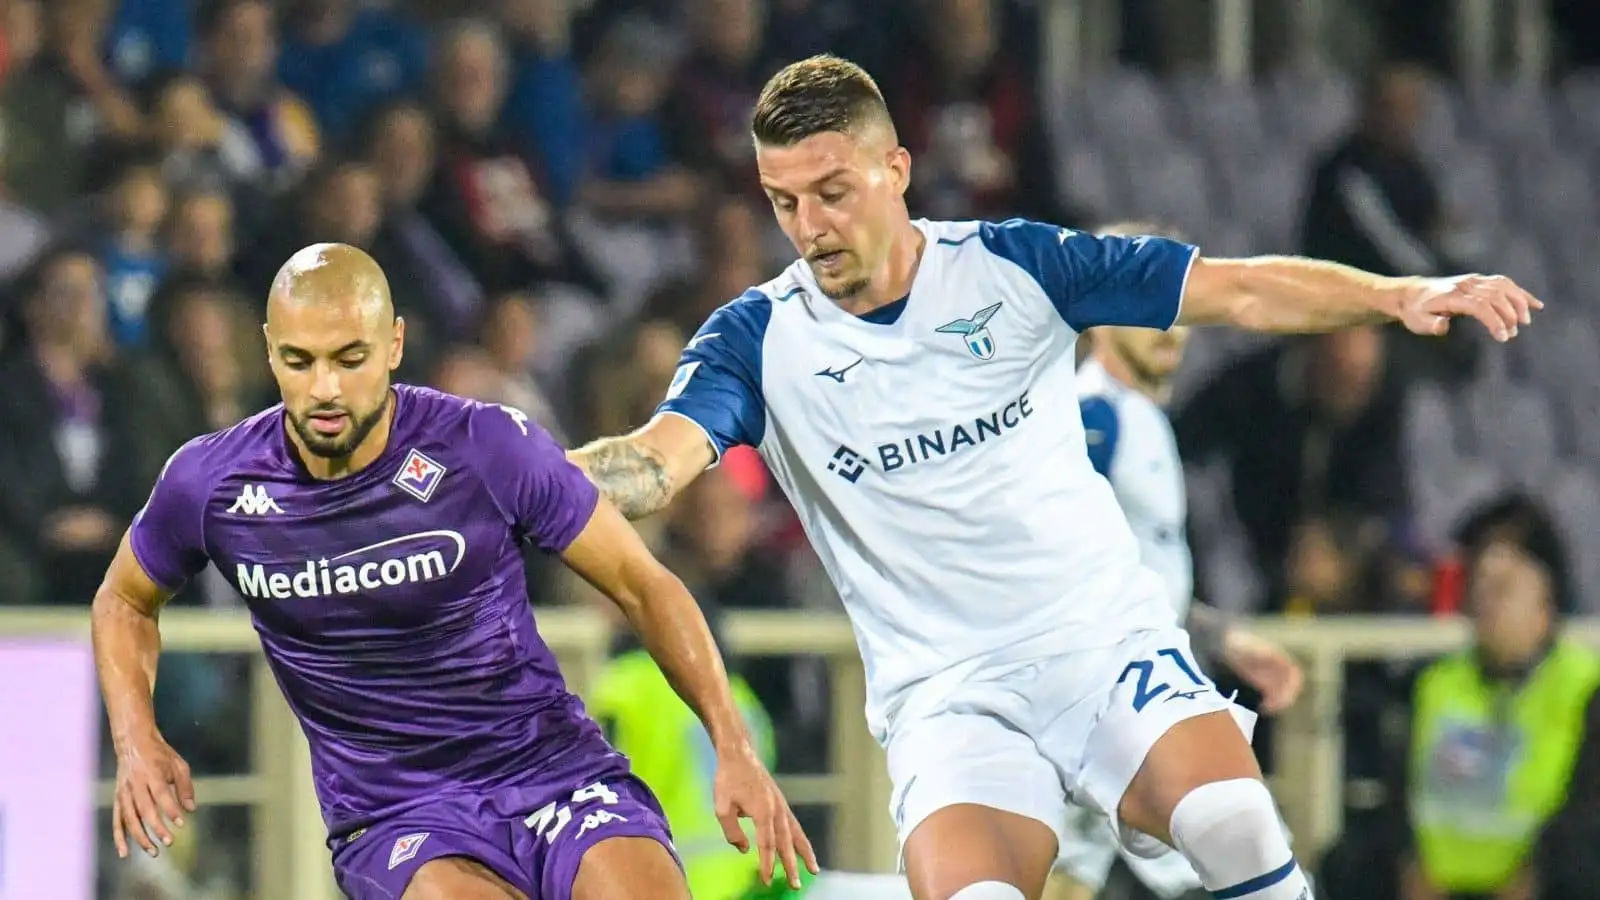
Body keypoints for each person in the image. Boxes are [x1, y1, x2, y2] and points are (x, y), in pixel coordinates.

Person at [565, 54, 1539, 900]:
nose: (809, 226)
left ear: (895, 169)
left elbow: (1234, 286)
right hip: (947, 694)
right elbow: (656, 463)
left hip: (1096, 645)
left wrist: (1400, 293)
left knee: (1234, 821)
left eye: (833, 191)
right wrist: (515, 470)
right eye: (784, 202)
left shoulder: (1011, 268)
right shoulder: (756, 340)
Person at [90, 243, 817, 900]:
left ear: (395, 343)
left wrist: (734, 746)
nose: (325, 391)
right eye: (299, 361)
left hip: (554, 772)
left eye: (350, 358)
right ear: (268, 352)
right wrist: (137, 738)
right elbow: (124, 599)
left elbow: (642, 582)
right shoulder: (210, 483)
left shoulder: (484, 446)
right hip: (398, 812)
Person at [1049, 223, 1306, 900]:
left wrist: (1221, 638)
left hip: (1136, 696)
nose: (1170, 324)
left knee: (1074, 872)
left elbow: (1134, 575)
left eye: (1176, 304)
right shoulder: (1093, 419)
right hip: (1117, 702)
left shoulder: (1139, 416)